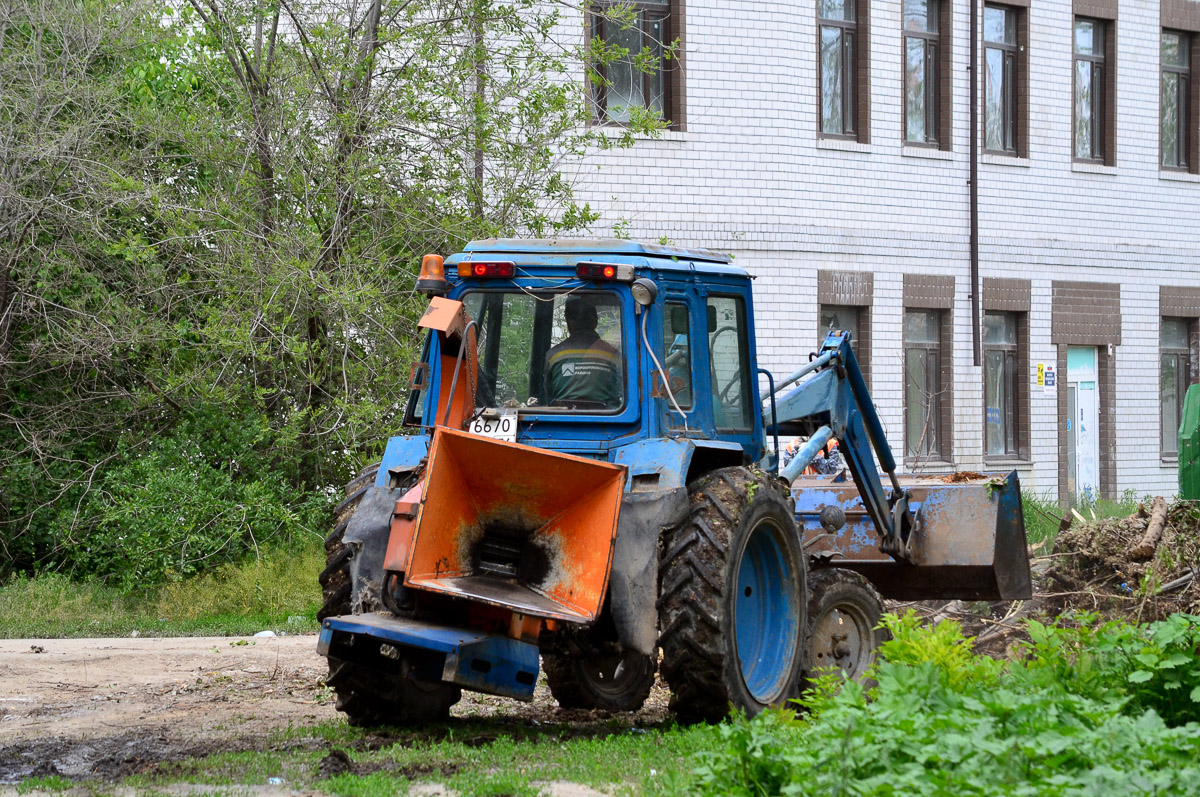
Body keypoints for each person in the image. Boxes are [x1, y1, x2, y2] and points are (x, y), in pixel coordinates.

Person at [544, 298, 622, 407]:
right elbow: (621, 392)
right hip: (607, 422)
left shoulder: (553, 355)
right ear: (595, 321)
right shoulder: (614, 355)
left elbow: (547, 397)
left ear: (568, 322)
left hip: (561, 421)